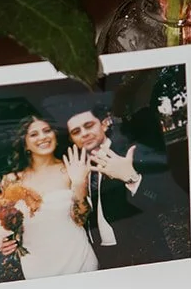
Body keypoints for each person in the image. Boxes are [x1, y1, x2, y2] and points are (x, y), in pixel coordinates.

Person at [65, 101, 184, 269]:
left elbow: (169, 199)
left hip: (144, 253)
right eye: (76, 131)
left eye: (88, 125)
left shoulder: (131, 151)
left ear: (105, 124)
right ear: (72, 139)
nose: (84, 134)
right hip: (103, 255)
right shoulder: (80, 167)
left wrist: (132, 178)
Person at [0, 116, 98, 281]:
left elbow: (81, 218)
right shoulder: (12, 180)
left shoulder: (70, 169)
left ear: (55, 136)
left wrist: (80, 183)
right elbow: (7, 227)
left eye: (47, 131)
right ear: (25, 144)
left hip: (78, 261)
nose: (43, 137)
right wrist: (4, 242)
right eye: (34, 134)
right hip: (37, 267)